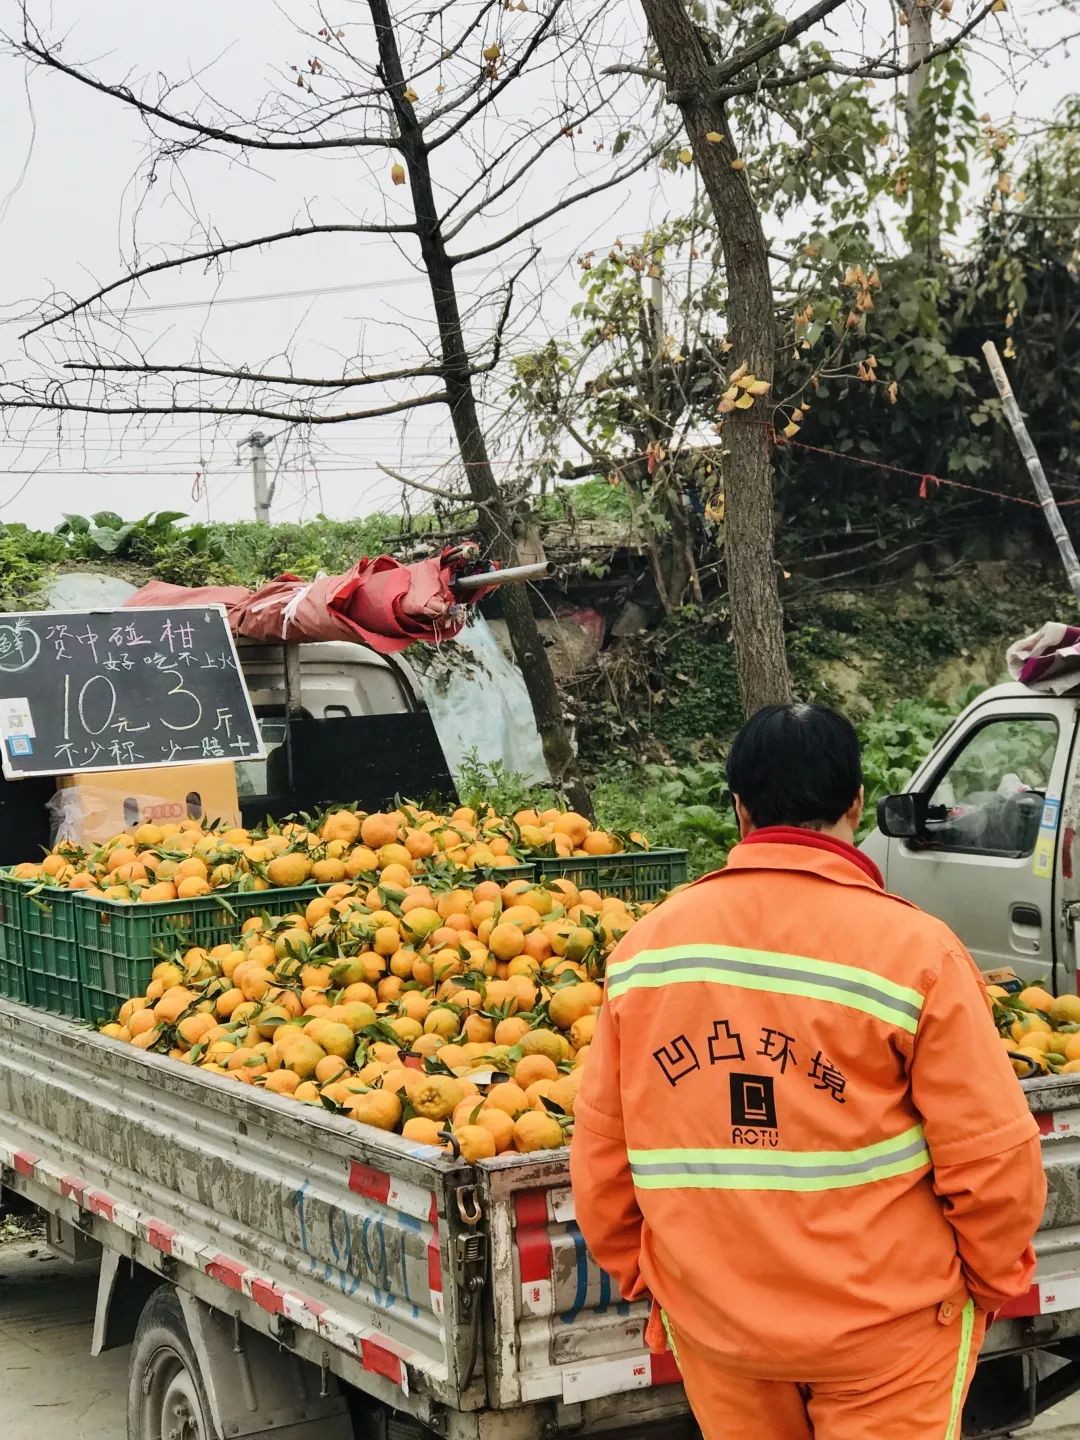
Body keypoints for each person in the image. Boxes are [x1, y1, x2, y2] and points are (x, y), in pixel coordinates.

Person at [571, 702, 1046, 1440]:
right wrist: (984, 1284)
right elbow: (992, 1161)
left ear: (739, 808)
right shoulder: (916, 954)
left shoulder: (646, 954)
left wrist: (662, 1284)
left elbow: (602, 1159)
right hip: (885, 1334)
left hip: (720, 1332)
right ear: (856, 802)